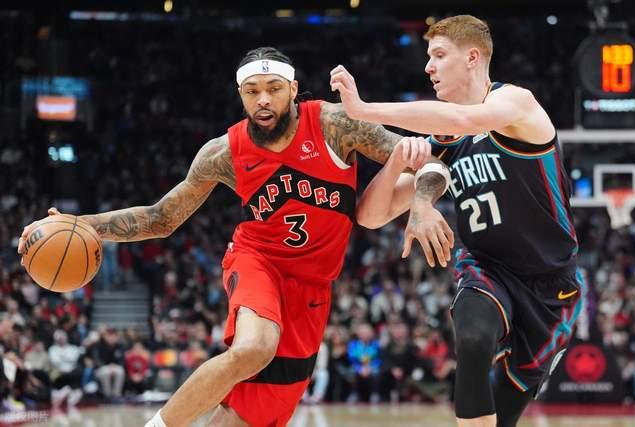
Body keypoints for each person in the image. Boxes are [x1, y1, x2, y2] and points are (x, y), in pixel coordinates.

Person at [18, 47, 429, 427]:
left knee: (245, 418)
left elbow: (424, 160)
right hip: (258, 261)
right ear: (240, 95)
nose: (263, 100)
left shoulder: (335, 124)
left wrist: (423, 204)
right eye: (252, 91)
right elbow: (162, 218)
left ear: (293, 90)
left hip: (313, 288)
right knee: (254, 347)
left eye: (273, 89)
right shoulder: (224, 153)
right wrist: (82, 224)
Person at [331, 15, 586, 427]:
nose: (428, 66)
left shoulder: (516, 103)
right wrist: (398, 162)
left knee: (504, 413)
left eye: (438, 55)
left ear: (472, 57)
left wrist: (363, 110)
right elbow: (371, 217)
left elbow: (465, 120)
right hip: (487, 268)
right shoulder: (446, 141)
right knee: (471, 338)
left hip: (551, 284)